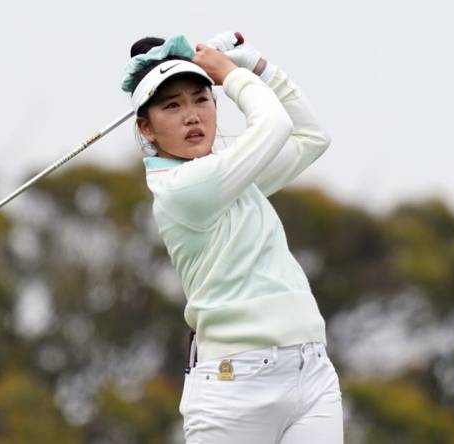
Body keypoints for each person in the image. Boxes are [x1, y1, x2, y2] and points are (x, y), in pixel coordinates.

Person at [121, 32, 343, 443]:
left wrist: (260, 67)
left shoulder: (233, 176)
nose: (192, 116)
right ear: (145, 128)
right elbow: (274, 124)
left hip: (311, 373)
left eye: (201, 99)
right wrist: (231, 73)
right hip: (233, 388)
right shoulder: (182, 190)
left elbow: (312, 137)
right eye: (172, 106)